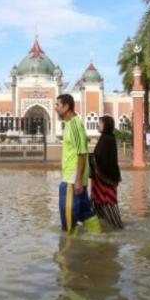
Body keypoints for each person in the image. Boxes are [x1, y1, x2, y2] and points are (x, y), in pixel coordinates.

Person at [54, 94, 101, 234]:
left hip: (72, 179)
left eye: (58, 105)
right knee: (84, 211)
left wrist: (78, 179)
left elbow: (82, 152)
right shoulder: (69, 124)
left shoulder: (75, 124)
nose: (55, 108)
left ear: (67, 106)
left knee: (68, 216)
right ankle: (97, 237)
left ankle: (68, 249)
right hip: (74, 177)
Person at [89, 115, 123, 229]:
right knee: (98, 206)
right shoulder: (105, 138)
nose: (98, 125)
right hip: (101, 182)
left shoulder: (107, 139)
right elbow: (99, 158)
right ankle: (102, 229)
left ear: (106, 125)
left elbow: (103, 160)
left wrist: (88, 158)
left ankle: (117, 229)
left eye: (100, 123)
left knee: (109, 205)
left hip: (105, 182)